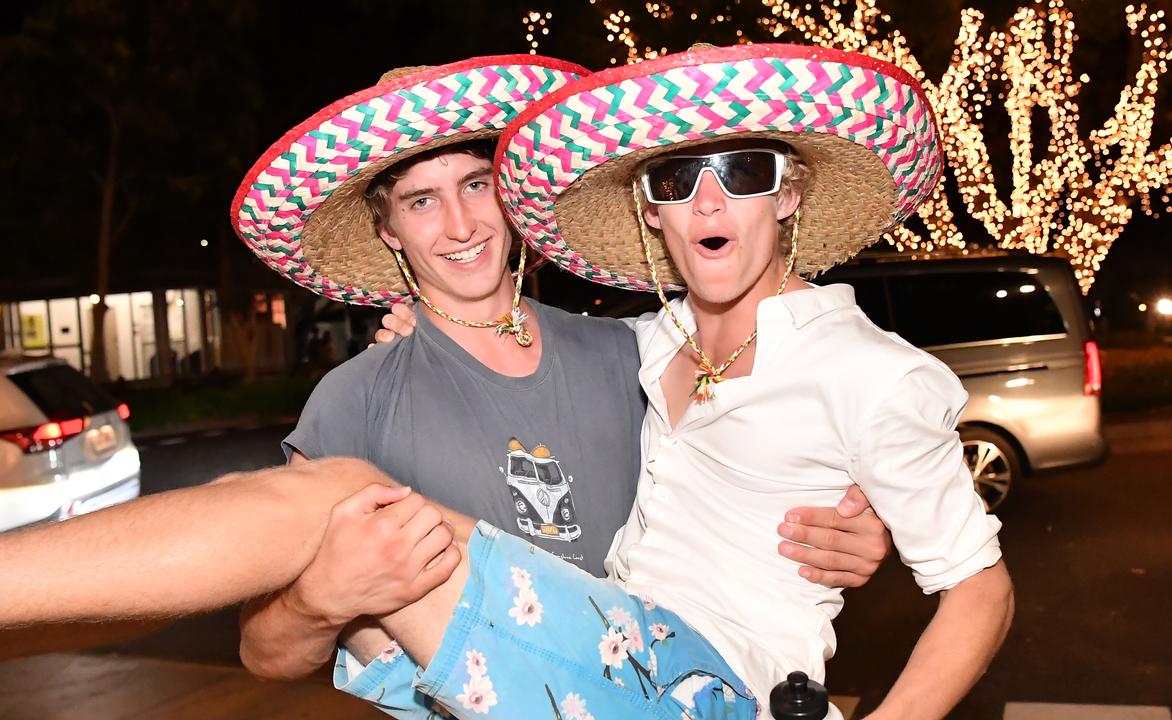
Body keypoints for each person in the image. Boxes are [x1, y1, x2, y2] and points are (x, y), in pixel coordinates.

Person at [0, 53, 887, 684]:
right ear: (388, 230)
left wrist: (850, 536)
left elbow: (771, 450)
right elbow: (263, 655)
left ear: (512, 197)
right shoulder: (354, 399)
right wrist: (317, 606)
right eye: (422, 200)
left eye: (477, 185)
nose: (460, 225)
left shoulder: (633, 354)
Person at [333, 44, 1013, 720]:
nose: (709, 205)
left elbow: (982, 590)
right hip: (610, 657)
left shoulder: (873, 373)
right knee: (371, 599)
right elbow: (522, 345)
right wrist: (418, 328)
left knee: (362, 534)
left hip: (722, 689)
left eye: (744, 173)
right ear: (652, 211)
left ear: (789, 194)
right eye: (677, 181)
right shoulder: (647, 343)